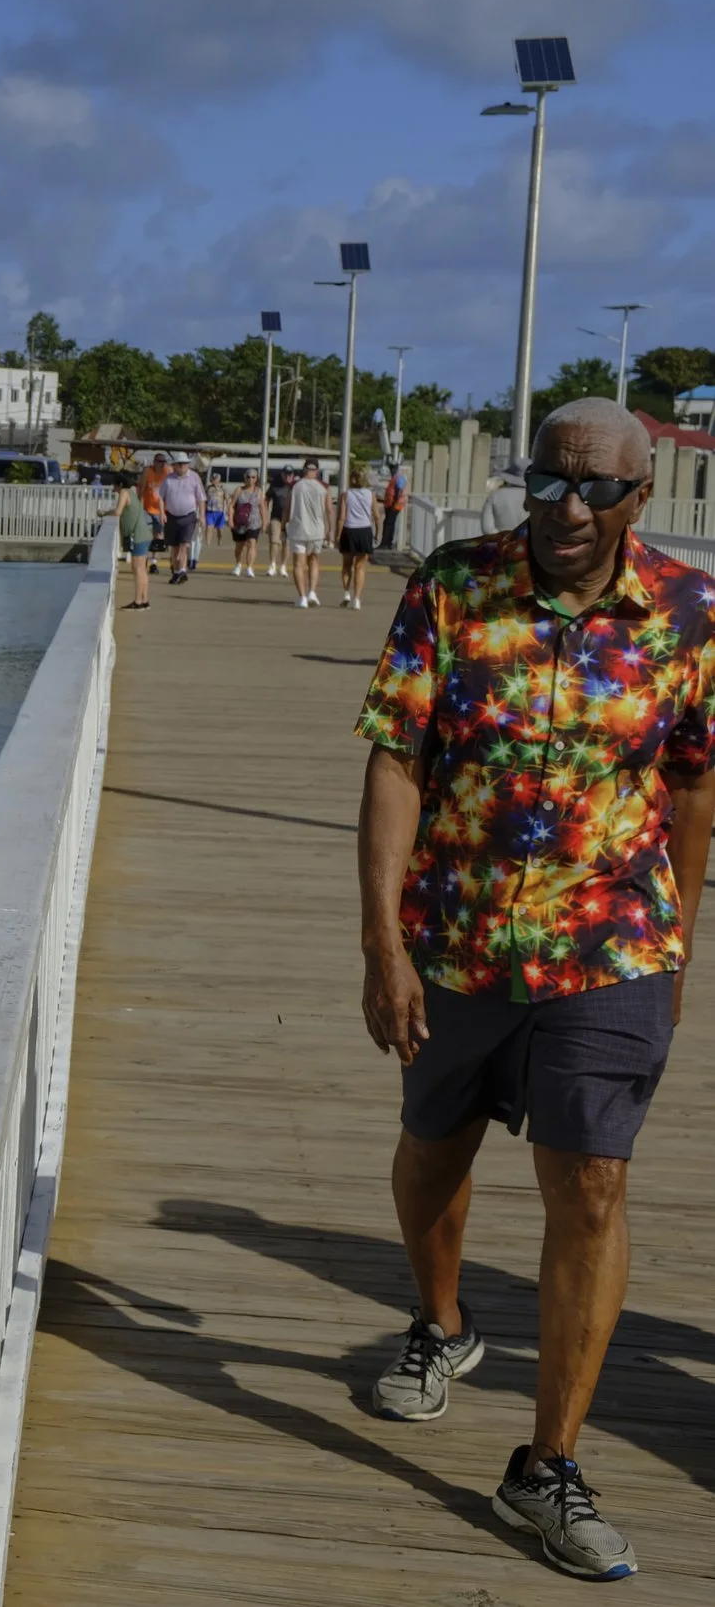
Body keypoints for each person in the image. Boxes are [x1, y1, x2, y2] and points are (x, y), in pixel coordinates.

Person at [354, 397, 715, 1583]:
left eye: (594, 489)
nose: (565, 507)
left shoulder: (688, 612)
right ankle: (445, 1322)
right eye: (546, 481)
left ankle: (544, 1463)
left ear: (637, 498)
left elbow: (693, 787)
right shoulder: (454, 586)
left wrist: (679, 946)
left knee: (592, 1185)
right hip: (456, 933)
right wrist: (380, 943)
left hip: (609, 940)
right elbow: (397, 760)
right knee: (432, 1147)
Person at [286, 457, 330, 606]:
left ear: (304, 469)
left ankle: (302, 597)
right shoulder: (323, 487)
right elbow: (329, 510)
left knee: (299, 564)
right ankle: (312, 592)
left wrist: (283, 524)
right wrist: (330, 529)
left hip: (298, 529)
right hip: (317, 531)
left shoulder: (295, 486)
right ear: (317, 471)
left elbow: (287, 508)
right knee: (314, 561)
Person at [158, 452, 204, 583]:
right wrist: (161, 513)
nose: (183, 466)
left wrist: (202, 515)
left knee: (184, 544)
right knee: (174, 546)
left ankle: (182, 569)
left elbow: (201, 498)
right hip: (171, 516)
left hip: (188, 516)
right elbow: (161, 497)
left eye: (185, 463)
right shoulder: (168, 479)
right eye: (180, 464)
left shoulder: (194, 477)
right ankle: (178, 571)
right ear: (174, 466)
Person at [338, 466, 379, 606]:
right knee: (360, 566)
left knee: (346, 565)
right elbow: (377, 516)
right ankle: (357, 599)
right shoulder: (371, 494)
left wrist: (338, 535)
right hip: (364, 530)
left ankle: (346, 593)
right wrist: (378, 533)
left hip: (349, 530)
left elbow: (342, 517)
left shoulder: (345, 495)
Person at [113, 477, 153, 609]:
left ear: (119, 484)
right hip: (143, 534)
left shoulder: (125, 492)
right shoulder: (133, 492)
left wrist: (104, 513)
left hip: (138, 536)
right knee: (142, 569)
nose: (113, 489)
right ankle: (144, 600)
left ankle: (138, 601)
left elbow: (118, 511)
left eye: (114, 485)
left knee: (137, 569)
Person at [229, 470, 264, 576]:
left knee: (252, 543)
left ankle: (249, 567)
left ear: (256, 479)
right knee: (239, 546)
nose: (250, 479)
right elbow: (232, 506)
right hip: (240, 522)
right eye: (248, 477)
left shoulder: (259, 491)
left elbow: (262, 507)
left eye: (253, 477)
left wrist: (264, 521)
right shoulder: (239, 490)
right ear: (245, 478)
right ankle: (238, 564)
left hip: (254, 522)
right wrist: (230, 520)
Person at [265, 467, 292, 576]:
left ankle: (283, 566)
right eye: (286, 474)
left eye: (290, 474)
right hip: (276, 517)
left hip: (290, 520)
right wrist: (266, 516)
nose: (287, 476)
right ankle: (272, 564)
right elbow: (266, 500)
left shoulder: (294, 487)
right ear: (282, 474)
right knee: (274, 541)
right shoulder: (274, 486)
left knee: (287, 543)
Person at [381, 462, 409, 550]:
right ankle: (386, 542)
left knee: (389, 523)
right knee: (388, 523)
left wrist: (395, 502)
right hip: (392, 504)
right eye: (391, 468)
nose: (391, 470)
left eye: (393, 468)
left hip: (394, 504)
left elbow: (400, 490)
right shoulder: (395, 478)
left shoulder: (398, 478)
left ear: (396, 468)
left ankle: (386, 543)